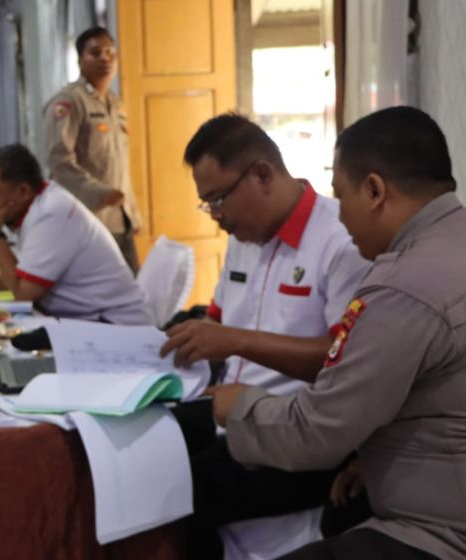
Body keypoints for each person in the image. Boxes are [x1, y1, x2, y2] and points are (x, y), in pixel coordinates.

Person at [207, 106, 466, 560]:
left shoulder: (401, 286)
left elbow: (319, 429)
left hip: (450, 532)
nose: (340, 216)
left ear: (374, 190)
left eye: (341, 196)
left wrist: (239, 407)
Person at [158, 114, 370, 558]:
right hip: (226, 411)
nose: (216, 216)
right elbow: (217, 323)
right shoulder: (242, 237)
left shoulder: (341, 240)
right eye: (207, 204)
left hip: (297, 433)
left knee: (171, 493)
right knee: (132, 455)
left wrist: (236, 340)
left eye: (218, 199)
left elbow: (345, 362)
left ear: (262, 175)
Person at [0, 143, 151, 325]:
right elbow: (22, 269)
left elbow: (23, 294)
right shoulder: (35, 204)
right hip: (83, 318)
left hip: (112, 323)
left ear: (22, 191)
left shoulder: (51, 213)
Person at [43, 26, 142, 273]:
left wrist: (132, 212)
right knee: (100, 288)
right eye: (96, 53)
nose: (105, 59)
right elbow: (59, 161)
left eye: (110, 52)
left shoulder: (115, 103)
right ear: (80, 60)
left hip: (119, 219)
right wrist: (100, 193)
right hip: (88, 220)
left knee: (132, 288)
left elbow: (118, 164)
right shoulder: (69, 101)